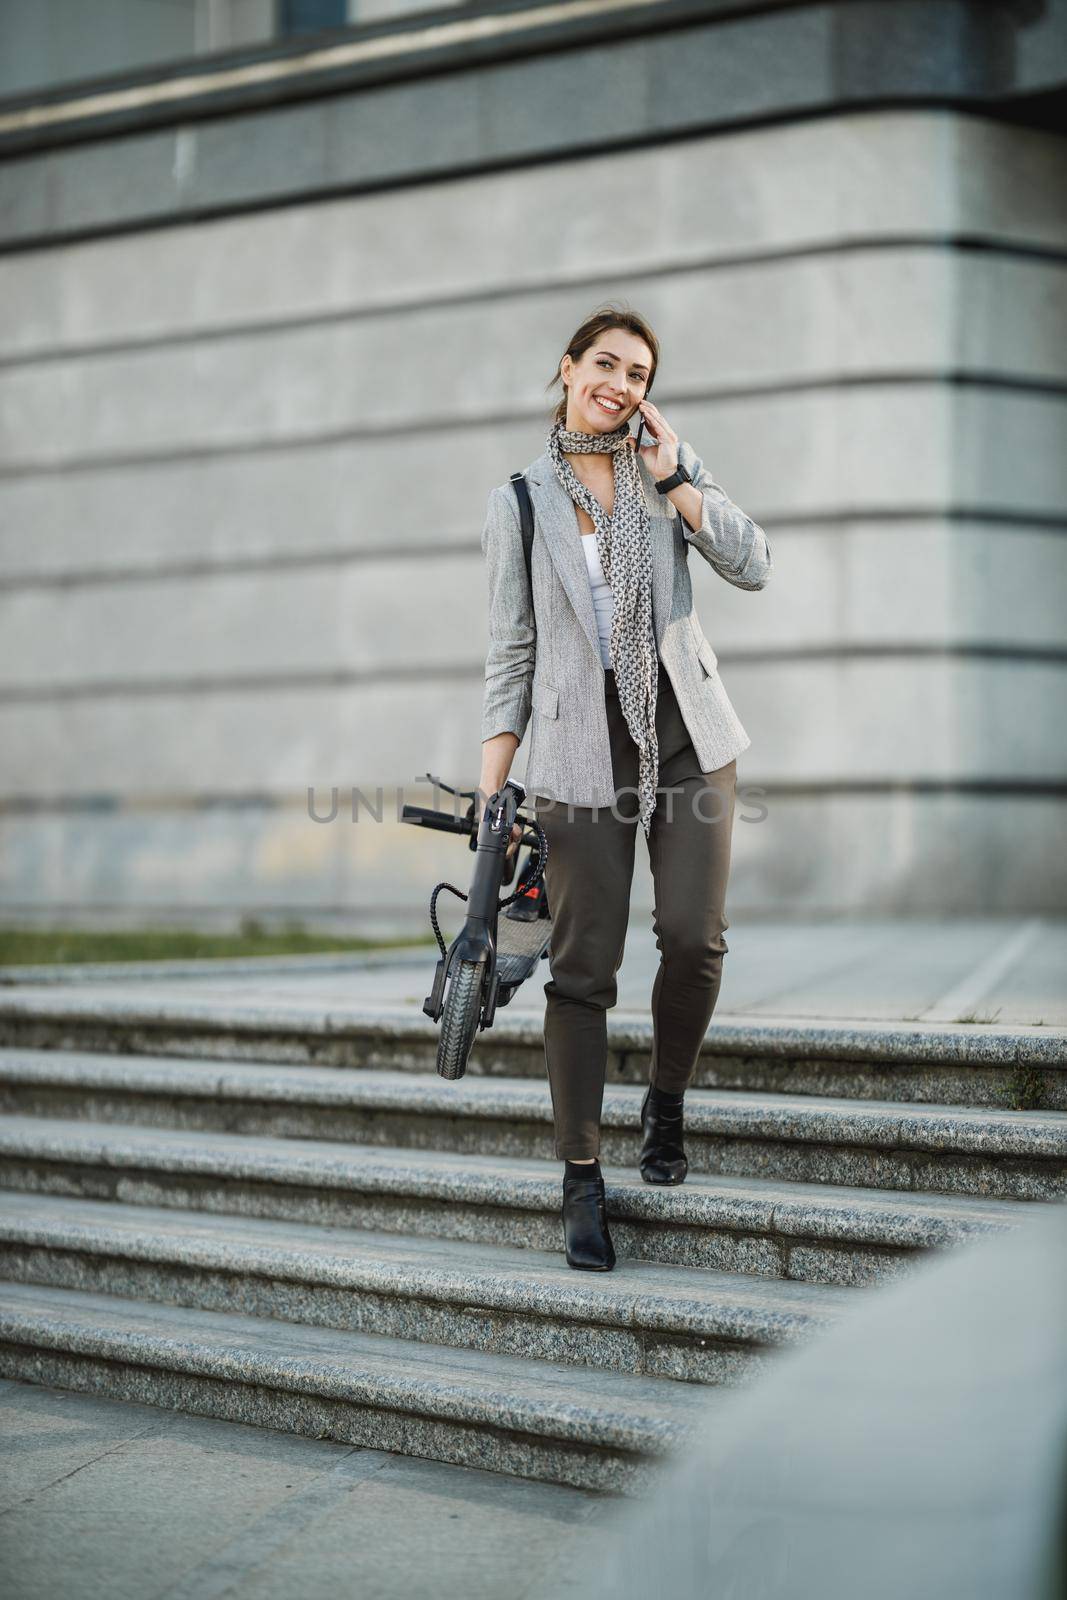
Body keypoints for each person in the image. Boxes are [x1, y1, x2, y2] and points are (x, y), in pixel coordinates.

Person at [477, 304, 772, 1271]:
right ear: (567, 368)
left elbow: (752, 564)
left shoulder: (665, 469)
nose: (622, 383)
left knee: (692, 937)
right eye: (606, 363)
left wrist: (678, 478)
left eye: (639, 372)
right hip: (575, 749)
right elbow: (510, 656)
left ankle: (667, 1104)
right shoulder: (519, 500)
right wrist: (493, 796)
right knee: (582, 968)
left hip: (687, 732)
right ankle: (580, 1177)